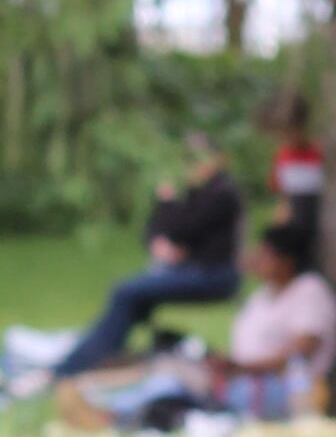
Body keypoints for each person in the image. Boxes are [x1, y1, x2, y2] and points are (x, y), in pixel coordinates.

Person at [62, 224, 336, 437]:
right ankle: (102, 398)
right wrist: (227, 364)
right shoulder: (262, 297)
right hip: (240, 377)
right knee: (168, 363)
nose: (256, 260)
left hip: (281, 388)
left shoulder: (309, 292)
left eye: (265, 255)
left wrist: (241, 367)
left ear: (287, 260)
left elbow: (299, 352)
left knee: (174, 380)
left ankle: (111, 411)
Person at [20, 132, 248, 391]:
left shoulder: (222, 193)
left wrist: (167, 203)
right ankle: (91, 357)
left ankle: (74, 365)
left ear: (217, 159)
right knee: (130, 299)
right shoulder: (198, 192)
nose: (191, 165)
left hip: (214, 275)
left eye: (198, 158)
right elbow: (154, 231)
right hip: (189, 269)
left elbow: (181, 230)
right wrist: (161, 241)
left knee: (126, 292)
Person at [262, 89, 327, 275]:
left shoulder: (321, 153)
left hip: (321, 230)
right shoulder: (283, 157)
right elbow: (284, 202)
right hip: (297, 234)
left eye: (286, 132)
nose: (283, 139)